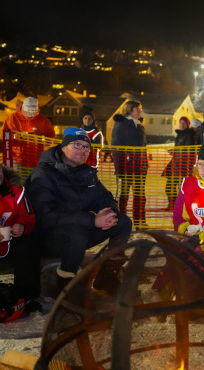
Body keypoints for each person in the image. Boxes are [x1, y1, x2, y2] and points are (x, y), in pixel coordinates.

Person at [24, 127, 132, 285]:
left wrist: (109, 211)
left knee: (122, 222)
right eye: (76, 145)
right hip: (48, 238)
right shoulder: (43, 175)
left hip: (80, 230)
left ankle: (108, 275)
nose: (82, 150)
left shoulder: (86, 173)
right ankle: (66, 289)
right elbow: (46, 216)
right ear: (63, 147)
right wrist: (92, 220)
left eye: (86, 146)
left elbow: (103, 196)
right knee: (76, 233)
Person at [0, 164, 41, 316]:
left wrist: (22, 226)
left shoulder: (18, 193)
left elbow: (28, 215)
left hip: (10, 244)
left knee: (28, 245)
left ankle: (28, 297)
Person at [111, 100, 148, 228]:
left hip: (139, 168)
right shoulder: (121, 125)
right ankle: (122, 222)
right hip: (125, 168)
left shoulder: (140, 125)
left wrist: (145, 164)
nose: (140, 111)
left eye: (140, 109)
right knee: (123, 197)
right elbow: (115, 147)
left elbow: (144, 147)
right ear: (129, 110)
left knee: (140, 196)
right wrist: (119, 167)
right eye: (137, 109)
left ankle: (139, 221)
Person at [3, 96, 55, 168]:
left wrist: (40, 138)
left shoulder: (43, 120)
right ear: (23, 109)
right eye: (28, 112)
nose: (30, 115)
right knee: (18, 178)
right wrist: (17, 136)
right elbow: (4, 138)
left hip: (36, 161)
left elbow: (51, 138)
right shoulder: (12, 119)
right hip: (17, 159)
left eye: (33, 113)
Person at [162, 116, 198, 211]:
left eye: (184, 123)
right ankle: (173, 205)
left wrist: (176, 153)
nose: (181, 125)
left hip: (183, 165)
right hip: (176, 163)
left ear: (187, 124)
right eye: (180, 122)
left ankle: (182, 207)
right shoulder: (180, 134)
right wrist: (174, 151)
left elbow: (188, 151)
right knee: (170, 186)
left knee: (182, 188)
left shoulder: (189, 135)